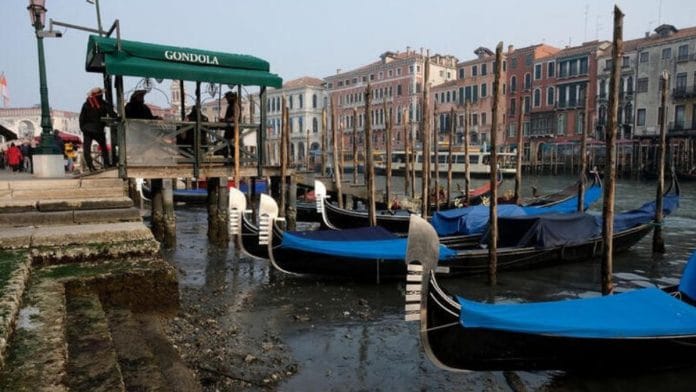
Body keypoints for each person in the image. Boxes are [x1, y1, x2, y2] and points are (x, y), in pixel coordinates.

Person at [79, 87, 113, 171]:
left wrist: (83, 128)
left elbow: (81, 118)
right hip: (98, 129)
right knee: (104, 148)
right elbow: (112, 114)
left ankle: (90, 166)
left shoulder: (86, 104)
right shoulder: (104, 103)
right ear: (100, 94)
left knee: (87, 149)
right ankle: (106, 164)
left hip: (87, 130)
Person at [219, 91, 238, 158]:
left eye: (227, 98)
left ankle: (232, 159)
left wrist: (225, 120)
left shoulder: (234, 105)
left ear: (230, 98)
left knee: (231, 145)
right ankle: (227, 159)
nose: (226, 100)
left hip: (232, 129)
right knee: (226, 144)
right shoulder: (230, 106)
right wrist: (223, 120)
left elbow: (235, 118)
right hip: (229, 129)